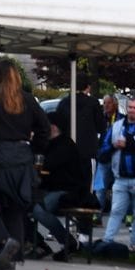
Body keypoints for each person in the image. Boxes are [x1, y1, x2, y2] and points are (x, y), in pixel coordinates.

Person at [0, 57, 49, 270]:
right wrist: (35, 148)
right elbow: (44, 128)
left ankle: (2, 241)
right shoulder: (27, 100)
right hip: (21, 156)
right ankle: (13, 255)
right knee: (16, 209)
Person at [32, 111, 87, 261]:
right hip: (50, 188)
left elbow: (48, 165)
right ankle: (37, 242)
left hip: (66, 190)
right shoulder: (50, 144)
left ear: (54, 127)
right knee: (21, 206)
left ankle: (68, 241)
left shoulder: (65, 145)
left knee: (39, 210)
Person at [55, 74, 107, 200]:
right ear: (88, 87)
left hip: (66, 153)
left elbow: (57, 126)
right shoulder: (93, 103)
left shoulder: (64, 103)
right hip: (87, 152)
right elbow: (101, 127)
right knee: (87, 189)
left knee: (69, 189)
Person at [98, 97, 135, 253]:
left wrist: (129, 144)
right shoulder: (116, 127)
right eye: (131, 108)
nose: (132, 111)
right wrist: (114, 146)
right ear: (126, 109)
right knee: (116, 211)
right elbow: (103, 151)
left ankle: (134, 244)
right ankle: (107, 242)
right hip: (120, 177)